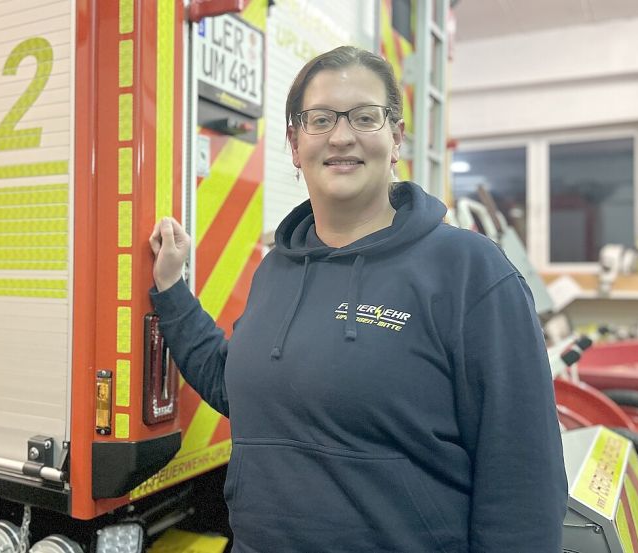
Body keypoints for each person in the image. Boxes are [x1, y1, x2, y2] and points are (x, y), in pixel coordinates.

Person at [149, 46, 567, 553]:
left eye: (365, 117)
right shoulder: (276, 270)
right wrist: (172, 290)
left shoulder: (469, 272)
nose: (342, 136)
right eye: (320, 119)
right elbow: (238, 388)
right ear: (294, 142)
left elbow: (523, 483)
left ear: (395, 138)